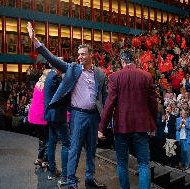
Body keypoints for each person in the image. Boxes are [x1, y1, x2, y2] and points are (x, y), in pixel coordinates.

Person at [27, 22, 107, 189]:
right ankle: (70, 180)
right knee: (74, 149)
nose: (80, 57)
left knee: (92, 150)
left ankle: (89, 179)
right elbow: (52, 59)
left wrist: (103, 123)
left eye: (83, 54)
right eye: (79, 54)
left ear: (91, 55)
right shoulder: (72, 69)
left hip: (93, 116)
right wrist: (36, 42)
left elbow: (104, 97)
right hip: (78, 115)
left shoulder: (100, 73)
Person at [98, 49, 157, 189]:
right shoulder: (146, 76)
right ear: (135, 60)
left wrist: (101, 128)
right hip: (141, 127)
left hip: (121, 126)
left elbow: (109, 104)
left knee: (122, 163)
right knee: (143, 164)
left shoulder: (114, 77)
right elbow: (153, 104)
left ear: (122, 61)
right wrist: (153, 124)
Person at [44, 65, 70, 186]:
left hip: (50, 116)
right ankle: (65, 175)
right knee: (66, 144)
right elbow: (63, 95)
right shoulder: (55, 78)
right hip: (58, 116)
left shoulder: (49, 75)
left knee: (51, 142)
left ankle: (52, 171)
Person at [28, 69, 49, 168]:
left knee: (42, 138)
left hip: (35, 116)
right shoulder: (48, 85)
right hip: (43, 116)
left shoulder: (37, 84)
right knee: (48, 138)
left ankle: (40, 158)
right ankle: (45, 160)